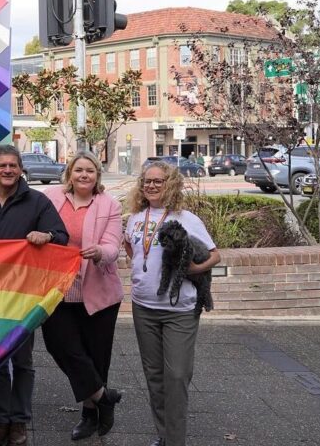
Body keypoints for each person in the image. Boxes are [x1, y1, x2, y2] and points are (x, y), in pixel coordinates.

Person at [0, 144, 68, 446]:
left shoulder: (37, 201)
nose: (8, 170)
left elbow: (62, 237)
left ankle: (20, 421)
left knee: (22, 361)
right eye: (2, 166)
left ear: (20, 168)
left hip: (24, 294)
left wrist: (47, 236)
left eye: (13, 165)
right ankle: (2, 418)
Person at [124, 161, 220, 446]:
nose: (151, 186)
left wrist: (192, 270)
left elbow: (215, 255)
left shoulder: (186, 218)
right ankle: (164, 435)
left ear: (171, 184)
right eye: (147, 181)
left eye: (158, 181)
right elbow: (132, 248)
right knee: (154, 376)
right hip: (144, 308)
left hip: (179, 310)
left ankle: (175, 440)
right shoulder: (135, 217)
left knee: (176, 376)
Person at [40, 152, 124, 441]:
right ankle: (104, 396)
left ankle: (90, 414)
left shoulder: (109, 204)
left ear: (97, 175)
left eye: (90, 170)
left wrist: (101, 253)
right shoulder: (52, 197)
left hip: (98, 290)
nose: (84, 175)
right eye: (79, 170)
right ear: (69, 173)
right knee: (59, 345)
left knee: (96, 356)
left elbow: (113, 244)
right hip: (58, 290)